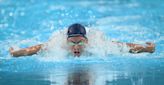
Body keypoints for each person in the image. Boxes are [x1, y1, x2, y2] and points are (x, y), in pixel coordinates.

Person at [9, 23, 155, 57]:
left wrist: (147, 48)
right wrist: (15, 52)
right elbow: (33, 49)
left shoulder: (98, 44)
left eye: (80, 42)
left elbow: (124, 47)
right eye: (72, 42)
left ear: (86, 41)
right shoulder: (57, 45)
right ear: (67, 41)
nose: (76, 47)